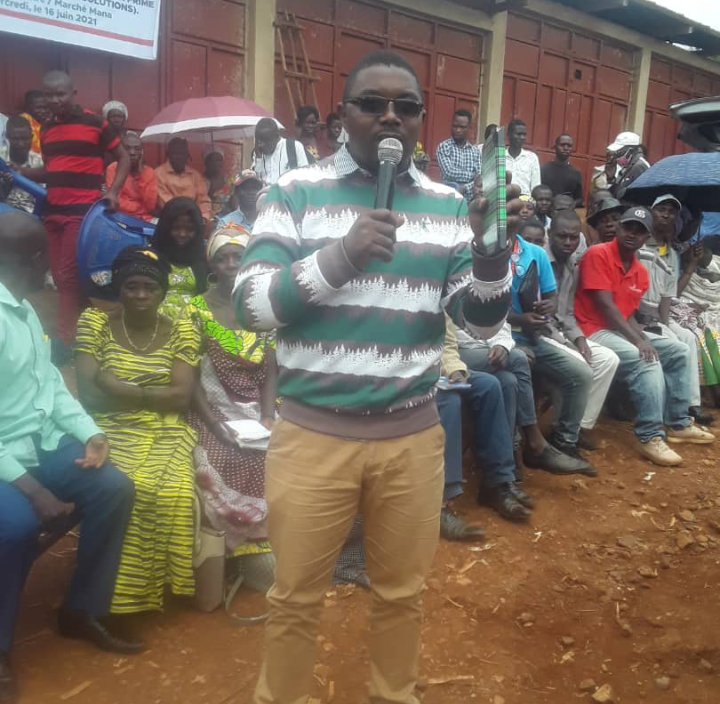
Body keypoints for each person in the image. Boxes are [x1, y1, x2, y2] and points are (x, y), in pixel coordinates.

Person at [233, 49, 512, 704]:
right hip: (312, 437)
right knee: (296, 597)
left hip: (411, 439)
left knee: (401, 595)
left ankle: (394, 695)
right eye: (372, 103)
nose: (390, 116)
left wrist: (490, 253)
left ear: (418, 120)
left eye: (406, 107)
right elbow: (250, 306)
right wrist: (343, 255)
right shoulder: (293, 192)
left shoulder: (447, 205)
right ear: (342, 115)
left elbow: (476, 322)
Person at [0, 212, 141, 704]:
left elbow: (52, 388)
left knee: (113, 489)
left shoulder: (22, 308)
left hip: (40, 443)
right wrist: (34, 490)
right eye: (45, 253)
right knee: (16, 526)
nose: (52, 262)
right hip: (6, 459)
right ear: (33, 257)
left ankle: (81, 609)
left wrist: (90, 432)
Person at [74, 246, 201, 613]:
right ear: (119, 288)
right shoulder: (95, 324)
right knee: (129, 489)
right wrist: (152, 395)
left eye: (150, 287)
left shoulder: (181, 331)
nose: (141, 295)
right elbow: (90, 396)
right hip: (109, 428)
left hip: (166, 429)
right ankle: (115, 596)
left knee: (175, 491)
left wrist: (119, 387)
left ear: (163, 292)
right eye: (131, 286)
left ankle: (151, 584)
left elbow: (181, 398)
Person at [575, 207, 714, 466]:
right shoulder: (598, 254)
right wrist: (638, 341)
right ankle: (650, 435)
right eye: (628, 227)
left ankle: (679, 423)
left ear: (646, 237)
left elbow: (627, 313)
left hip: (616, 329)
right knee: (646, 359)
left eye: (639, 231)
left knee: (679, 350)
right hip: (591, 329)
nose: (632, 234)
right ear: (619, 229)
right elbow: (605, 306)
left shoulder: (639, 271)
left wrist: (642, 335)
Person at [183, 230, 277, 570]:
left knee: (281, 455)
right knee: (219, 458)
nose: (231, 264)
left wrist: (267, 418)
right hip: (211, 410)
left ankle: (265, 542)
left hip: (258, 409)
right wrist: (214, 424)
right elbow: (189, 376)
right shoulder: (195, 309)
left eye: (238, 257)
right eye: (222, 258)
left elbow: (271, 369)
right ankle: (230, 547)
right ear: (211, 264)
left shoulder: (261, 307)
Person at [22, 70, 130, 365]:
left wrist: (114, 191)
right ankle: (94, 325)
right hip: (52, 211)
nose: (55, 99)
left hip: (82, 213)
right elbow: (52, 170)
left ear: (73, 94)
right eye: (49, 95)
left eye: (61, 94)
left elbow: (123, 157)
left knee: (68, 277)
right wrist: (20, 172)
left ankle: (64, 341)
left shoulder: (97, 124)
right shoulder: (46, 130)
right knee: (60, 277)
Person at [507, 218, 596, 474]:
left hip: (533, 336)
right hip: (499, 337)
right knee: (517, 369)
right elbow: (482, 311)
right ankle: (515, 451)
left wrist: (548, 306)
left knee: (581, 374)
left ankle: (564, 442)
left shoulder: (536, 254)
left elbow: (552, 296)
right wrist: (519, 319)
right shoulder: (486, 253)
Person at [439, 317, 535, 537]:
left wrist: (454, 370)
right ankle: (440, 503)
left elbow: (447, 345)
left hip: (438, 367)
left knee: (491, 385)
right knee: (449, 399)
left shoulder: (434, 300)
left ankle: (497, 482)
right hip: (406, 373)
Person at [545, 210, 620, 447]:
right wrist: (567, 344)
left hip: (561, 332)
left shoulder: (572, 265)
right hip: (539, 334)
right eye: (562, 236)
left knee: (608, 359)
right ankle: (561, 434)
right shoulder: (539, 261)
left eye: (574, 237)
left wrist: (579, 340)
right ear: (550, 234)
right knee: (579, 365)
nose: (568, 242)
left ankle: (578, 427)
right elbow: (541, 318)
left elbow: (567, 313)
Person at [636, 194, 707, 424]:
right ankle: (674, 410)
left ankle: (691, 404)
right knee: (677, 343)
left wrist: (691, 265)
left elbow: (670, 294)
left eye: (671, 211)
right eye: (661, 209)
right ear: (652, 212)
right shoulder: (639, 243)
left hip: (659, 313)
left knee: (688, 337)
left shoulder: (670, 253)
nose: (666, 215)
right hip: (638, 315)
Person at [152, 197, 208, 319]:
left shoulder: (204, 260)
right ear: (165, 228)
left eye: (190, 229)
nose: (182, 234)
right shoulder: (150, 259)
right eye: (176, 228)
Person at [155, 137, 212, 223]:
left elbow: (203, 200)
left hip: (195, 219)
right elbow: (167, 204)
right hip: (170, 219)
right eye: (175, 153)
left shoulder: (195, 175)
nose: (179, 157)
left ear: (187, 155)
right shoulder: (158, 174)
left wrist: (204, 217)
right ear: (168, 154)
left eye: (182, 153)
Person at [105, 131, 157, 222]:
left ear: (142, 152)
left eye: (137, 148)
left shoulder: (149, 172)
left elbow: (150, 206)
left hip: (145, 219)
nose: (132, 152)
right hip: (119, 218)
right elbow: (116, 202)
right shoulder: (112, 168)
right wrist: (140, 207)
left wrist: (141, 173)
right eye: (127, 148)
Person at [0, 115, 44, 214]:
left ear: (32, 137)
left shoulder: (40, 163)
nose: (21, 144)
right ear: (7, 137)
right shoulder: (1, 159)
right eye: (15, 139)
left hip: (32, 216)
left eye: (25, 139)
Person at [436, 108, 482, 198]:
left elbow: (480, 179)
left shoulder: (475, 152)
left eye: (462, 127)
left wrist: (464, 188)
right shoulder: (444, 147)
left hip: (470, 200)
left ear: (469, 128)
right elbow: (449, 173)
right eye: (455, 126)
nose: (458, 130)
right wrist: (472, 176)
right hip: (449, 198)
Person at [252, 117, 308, 185]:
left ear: (276, 136)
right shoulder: (259, 152)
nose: (261, 145)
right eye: (259, 141)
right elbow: (255, 182)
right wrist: (258, 159)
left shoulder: (294, 147)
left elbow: (305, 175)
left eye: (266, 141)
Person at [541, 134, 583, 206]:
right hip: (547, 209)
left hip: (567, 210)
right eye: (562, 145)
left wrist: (571, 204)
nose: (566, 148)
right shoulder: (543, 169)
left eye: (569, 146)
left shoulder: (576, 173)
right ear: (555, 147)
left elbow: (579, 198)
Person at [606, 132, 649, 201]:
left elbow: (640, 196)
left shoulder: (640, 166)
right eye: (616, 152)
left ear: (630, 151)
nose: (616, 156)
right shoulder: (627, 166)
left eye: (619, 152)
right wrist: (611, 178)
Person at [505, 118, 540, 196]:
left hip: (524, 200)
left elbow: (536, 187)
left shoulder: (532, 158)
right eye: (518, 134)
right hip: (503, 198)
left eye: (524, 134)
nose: (522, 137)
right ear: (508, 135)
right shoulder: (499, 157)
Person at [203, 148, 233, 220]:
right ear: (205, 162)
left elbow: (234, 202)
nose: (215, 163)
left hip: (229, 219)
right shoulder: (199, 181)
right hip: (206, 219)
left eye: (219, 160)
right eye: (212, 160)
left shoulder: (230, 180)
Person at [19, 90, 50, 155]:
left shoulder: (44, 121)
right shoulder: (22, 122)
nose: (43, 111)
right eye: (39, 108)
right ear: (28, 107)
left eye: (45, 108)